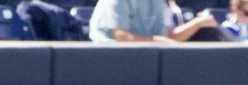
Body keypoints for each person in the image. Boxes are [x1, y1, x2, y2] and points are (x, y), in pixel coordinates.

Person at [88, 0, 220, 41]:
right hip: (111, 62)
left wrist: (197, 23)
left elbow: (169, 38)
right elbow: (121, 37)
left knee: (209, 32)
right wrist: (156, 41)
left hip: (148, 61)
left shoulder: (159, 2)